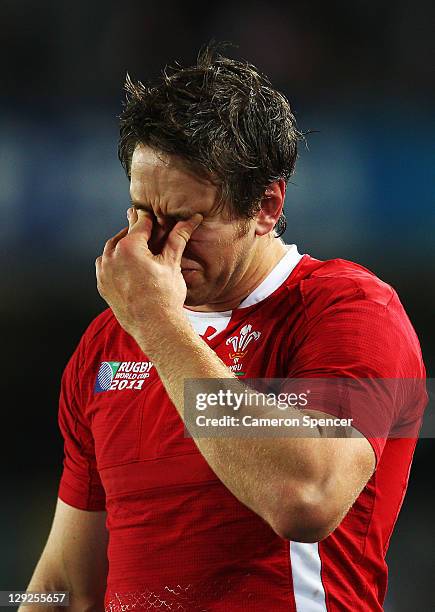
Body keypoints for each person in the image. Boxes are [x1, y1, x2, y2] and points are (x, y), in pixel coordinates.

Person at [22, 44, 427, 611]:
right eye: (142, 213)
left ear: (266, 206)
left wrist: (161, 326)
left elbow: (305, 499)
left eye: (186, 220)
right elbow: (65, 585)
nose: (156, 245)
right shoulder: (105, 344)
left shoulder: (352, 311)